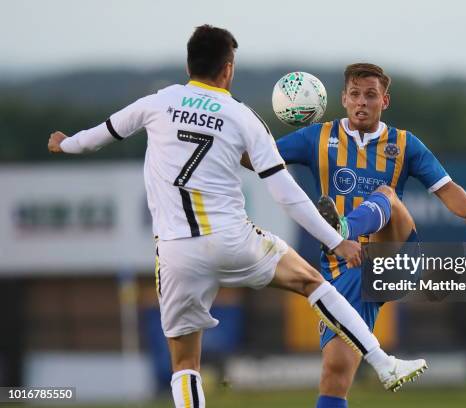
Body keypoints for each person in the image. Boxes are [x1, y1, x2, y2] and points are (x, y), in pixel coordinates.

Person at [47, 27, 427, 408]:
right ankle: (383, 362)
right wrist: (335, 240)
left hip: (177, 252)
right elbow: (286, 193)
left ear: (188, 64)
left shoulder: (158, 102)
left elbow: (98, 135)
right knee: (314, 285)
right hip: (234, 240)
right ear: (228, 70)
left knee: (184, 365)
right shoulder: (242, 116)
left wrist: (64, 144)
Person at [269, 63, 466, 408]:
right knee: (335, 372)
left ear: (384, 101)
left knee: (387, 195)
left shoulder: (404, 144)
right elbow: (259, 159)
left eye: (371, 95)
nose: (362, 102)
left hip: (395, 257)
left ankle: (342, 229)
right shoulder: (316, 137)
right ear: (342, 99)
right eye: (355, 94)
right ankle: (342, 236)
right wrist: (239, 132)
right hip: (344, 271)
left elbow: (445, 187)